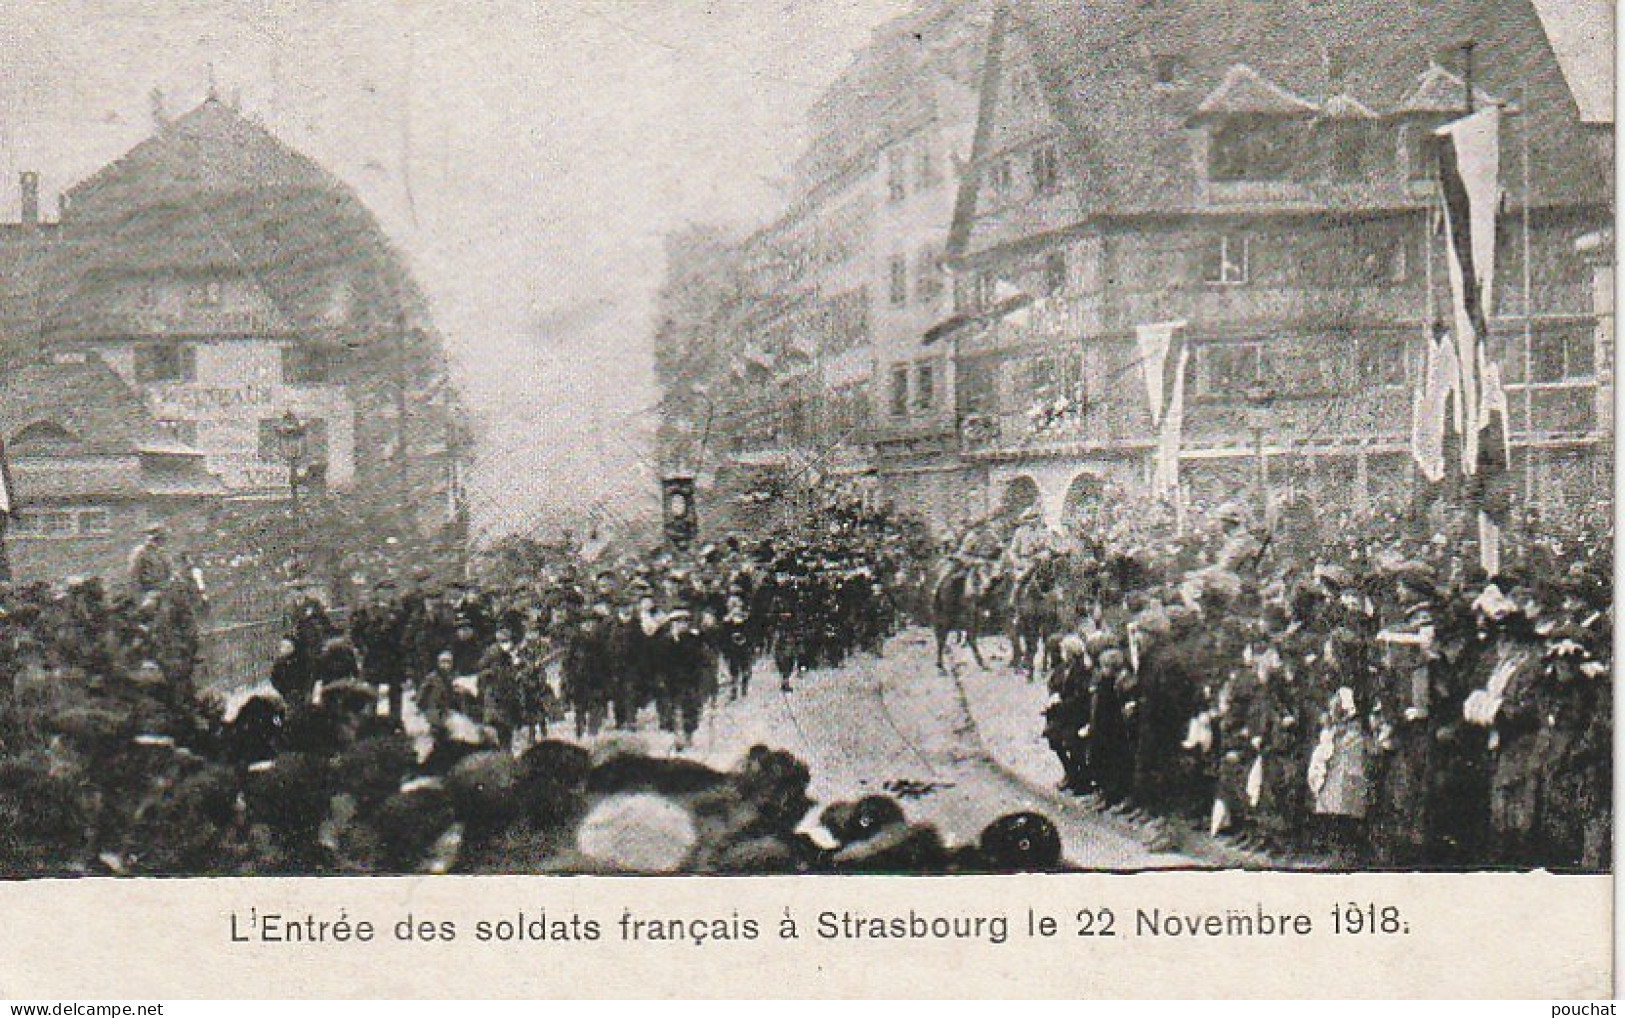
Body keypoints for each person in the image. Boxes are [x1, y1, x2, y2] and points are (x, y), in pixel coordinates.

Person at [129, 525, 173, 599]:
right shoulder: (140, 552)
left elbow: (169, 570)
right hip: (148, 590)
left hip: (165, 588)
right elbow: (134, 575)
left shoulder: (163, 553)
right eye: (161, 538)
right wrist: (141, 594)